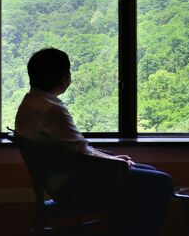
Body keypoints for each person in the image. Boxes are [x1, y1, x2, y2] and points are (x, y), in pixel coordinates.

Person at [15, 48, 173, 236]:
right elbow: (82, 153)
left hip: (62, 179)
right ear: (65, 77)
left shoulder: (31, 102)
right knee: (161, 182)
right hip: (72, 185)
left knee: (150, 173)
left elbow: (77, 149)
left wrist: (112, 159)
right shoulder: (51, 110)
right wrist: (117, 163)